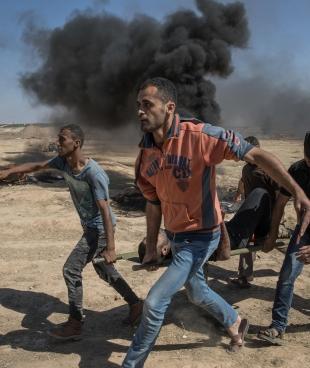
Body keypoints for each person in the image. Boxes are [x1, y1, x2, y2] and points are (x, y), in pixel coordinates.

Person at [122, 77, 310, 367]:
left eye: (147, 105)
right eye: (138, 106)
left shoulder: (201, 136)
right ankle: (235, 321)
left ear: (169, 107)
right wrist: (150, 246)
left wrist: (297, 190)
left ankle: (131, 364)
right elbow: (153, 202)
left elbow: (256, 154)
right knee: (197, 292)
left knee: (155, 301)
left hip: (201, 237)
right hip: (174, 235)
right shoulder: (145, 155)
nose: (140, 112)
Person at [0, 124, 142, 340]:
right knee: (104, 270)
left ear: (76, 143)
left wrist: (111, 247)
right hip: (91, 227)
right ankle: (136, 304)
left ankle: (75, 323)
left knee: (70, 269)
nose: (57, 142)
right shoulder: (63, 162)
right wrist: (11, 170)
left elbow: (105, 209)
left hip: (100, 229)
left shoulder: (93, 173)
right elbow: (37, 165)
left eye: (62, 139)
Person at [257, 131, 310, 345]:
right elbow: (280, 204)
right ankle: (278, 327)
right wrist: (271, 235)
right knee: (287, 275)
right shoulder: (297, 170)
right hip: (303, 232)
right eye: (308, 159)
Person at [227, 136, 279, 288]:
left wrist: (275, 220)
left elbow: (278, 194)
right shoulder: (246, 168)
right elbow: (242, 181)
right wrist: (237, 195)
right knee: (245, 243)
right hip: (251, 214)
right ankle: (245, 276)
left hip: (265, 215)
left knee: (259, 242)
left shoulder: (268, 169)